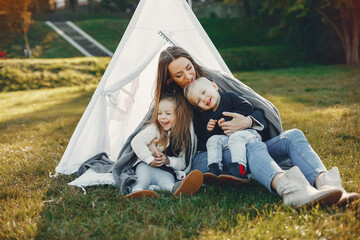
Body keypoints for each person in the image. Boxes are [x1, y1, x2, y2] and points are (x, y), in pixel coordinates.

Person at [151, 45, 359, 208]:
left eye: (189, 68)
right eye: (179, 75)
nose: (188, 77)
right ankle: (292, 191)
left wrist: (248, 121)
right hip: (207, 157)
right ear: (170, 79)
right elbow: (159, 134)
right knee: (247, 145)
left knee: (293, 136)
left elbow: (258, 110)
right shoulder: (172, 103)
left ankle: (330, 187)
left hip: (244, 142)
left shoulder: (213, 83)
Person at [183, 77, 261, 184]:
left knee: (235, 137)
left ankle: (240, 170)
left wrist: (229, 119)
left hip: (248, 134)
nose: (204, 99)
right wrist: (210, 130)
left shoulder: (229, 98)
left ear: (214, 86)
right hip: (229, 140)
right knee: (213, 140)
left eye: (204, 92)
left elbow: (247, 107)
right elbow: (209, 138)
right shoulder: (207, 115)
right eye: (199, 101)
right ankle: (215, 169)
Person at [125, 93, 203, 199]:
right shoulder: (155, 128)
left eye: (168, 113)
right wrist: (149, 159)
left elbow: (183, 162)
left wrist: (167, 160)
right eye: (159, 113)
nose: (162, 118)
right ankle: (137, 191)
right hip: (146, 167)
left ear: (179, 115)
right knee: (142, 180)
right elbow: (137, 141)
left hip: (165, 171)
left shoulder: (184, 137)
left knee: (167, 182)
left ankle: (176, 189)